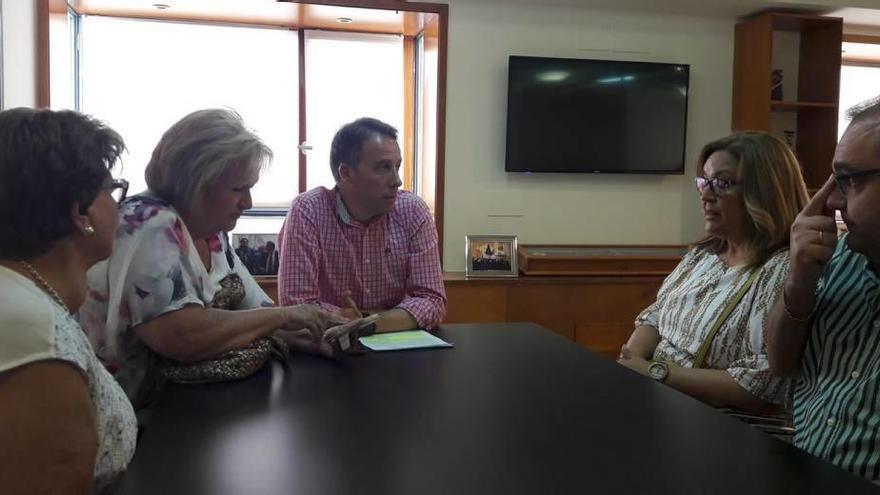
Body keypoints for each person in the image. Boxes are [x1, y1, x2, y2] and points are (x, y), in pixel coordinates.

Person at [80, 109, 355, 411]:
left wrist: (317, 334)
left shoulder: (212, 232)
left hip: (180, 410)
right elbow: (183, 337)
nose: (247, 203)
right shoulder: (149, 223)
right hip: (129, 420)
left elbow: (255, 314)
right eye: (238, 189)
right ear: (196, 183)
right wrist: (285, 316)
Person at [618, 132, 808, 414]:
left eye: (722, 183)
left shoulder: (784, 272)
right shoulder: (703, 255)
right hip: (658, 402)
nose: (705, 194)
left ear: (765, 192)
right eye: (704, 182)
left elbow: (760, 386)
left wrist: (654, 372)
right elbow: (656, 315)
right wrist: (631, 359)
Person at [0, 108, 136, 493]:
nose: (118, 205)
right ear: (82, 212)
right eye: (112, 190)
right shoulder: (30, 330)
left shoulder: (28, 298)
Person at [766, 96, 880, 481]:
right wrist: (799, 282)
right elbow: (781, 364)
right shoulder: (839, 257)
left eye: (849, 180)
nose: (830, 200)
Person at [278, 117, 446, 332]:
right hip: (325, 348)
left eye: (397, 166)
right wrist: (389, 318)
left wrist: (365, 322)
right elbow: (296, 304)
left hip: (395, 346)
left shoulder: (412, 210)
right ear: (346, 173)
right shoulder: (308, 210)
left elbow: (432, 300)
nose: (397, 180)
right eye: (383, 167)